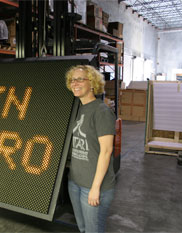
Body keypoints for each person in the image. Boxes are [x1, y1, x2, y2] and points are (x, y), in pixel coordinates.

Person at [65, 65, 116, 233]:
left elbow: (106, 151)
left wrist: (95, 188)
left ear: (92, 83)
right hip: (75, 182)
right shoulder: (77, 109)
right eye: (73, 80)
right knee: (83, 228)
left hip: (94, 187)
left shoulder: (101, 111)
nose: (75, 83)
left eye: (80, 79)